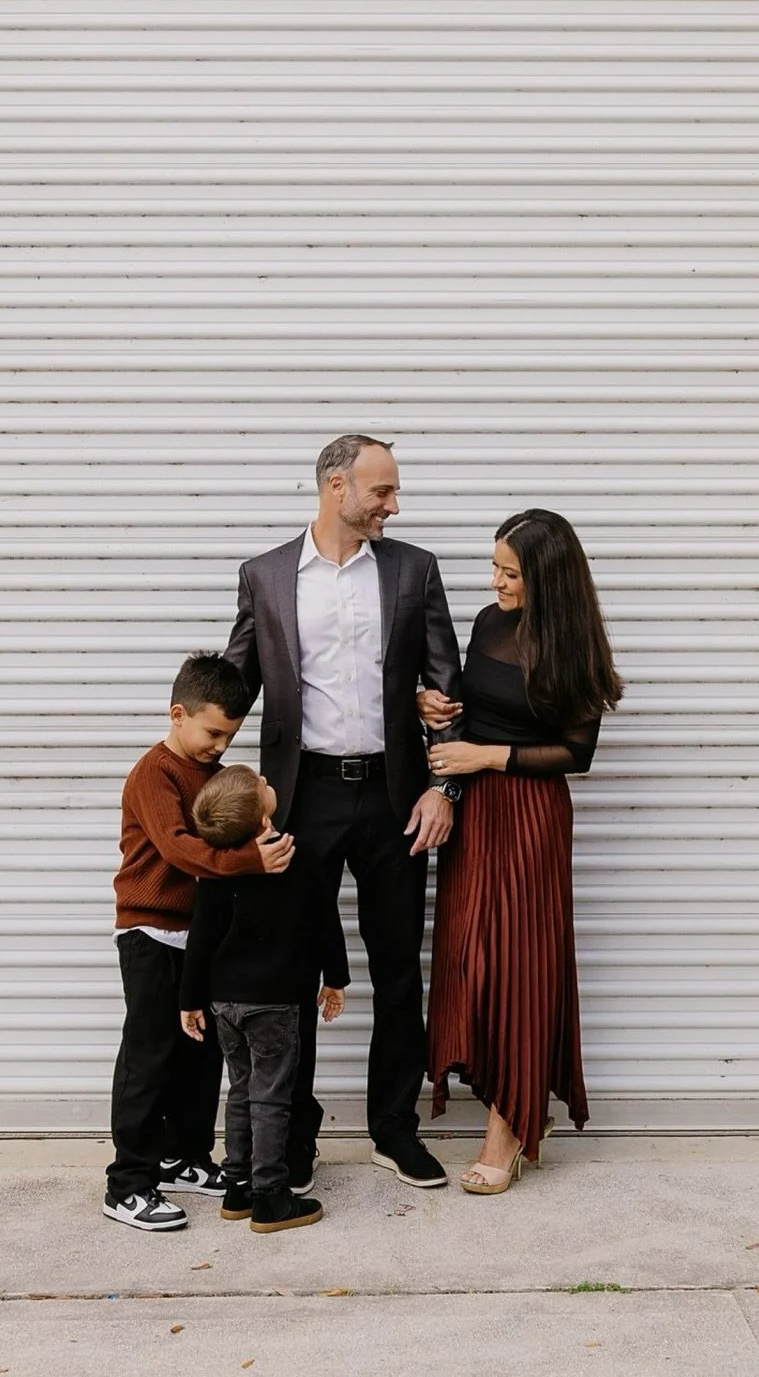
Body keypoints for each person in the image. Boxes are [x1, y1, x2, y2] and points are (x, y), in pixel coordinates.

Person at [223, 433, 463, 1190]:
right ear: (337, 488)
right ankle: (292, 1138)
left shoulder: (413, 569)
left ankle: (395, 1129)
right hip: (303, 796)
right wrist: (186, 768)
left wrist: (443, 787)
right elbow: (235, 683)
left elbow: (445, 684)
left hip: (395, 796)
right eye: (382, 491)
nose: (394, 504)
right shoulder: (264, 575)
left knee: (398, 968)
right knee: (292, 971)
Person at [423, 509, 623, 1194]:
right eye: (495, 568)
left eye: (511, 573)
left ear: (547, 578)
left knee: (516, 968)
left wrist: (487, 755)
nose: (496, 583)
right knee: (468, 960)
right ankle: (501, 1096)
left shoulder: (575, 644)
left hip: (531, 817)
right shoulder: (487, 622)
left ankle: (507, 1131)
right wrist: (441, 722)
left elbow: (577, 752)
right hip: (474, 814)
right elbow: (469, 710)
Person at [103, 652, 296, 1232]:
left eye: (230, 735)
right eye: (212, 732)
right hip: (149, 931)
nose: (219, 744)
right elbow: (178, 848)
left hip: (196, 939)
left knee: (199, 1057)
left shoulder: (211, 775)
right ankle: (128, 1183)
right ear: (178, 713)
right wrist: (251, 862)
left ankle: (183, 1157)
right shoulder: (154, 773)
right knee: (149, 1058)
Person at [180, 763, 351, 1233]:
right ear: (261, 816)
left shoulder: (219, 868)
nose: (267, 780)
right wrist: (335, 979)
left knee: (240, 1090)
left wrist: (189, 999)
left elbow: (202, 937)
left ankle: (236, 1186)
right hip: (276, 1003)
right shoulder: (302, 856)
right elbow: (325, 924)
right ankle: (271, 1197)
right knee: (272, 1098)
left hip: (225, 1003)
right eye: (261, 784)